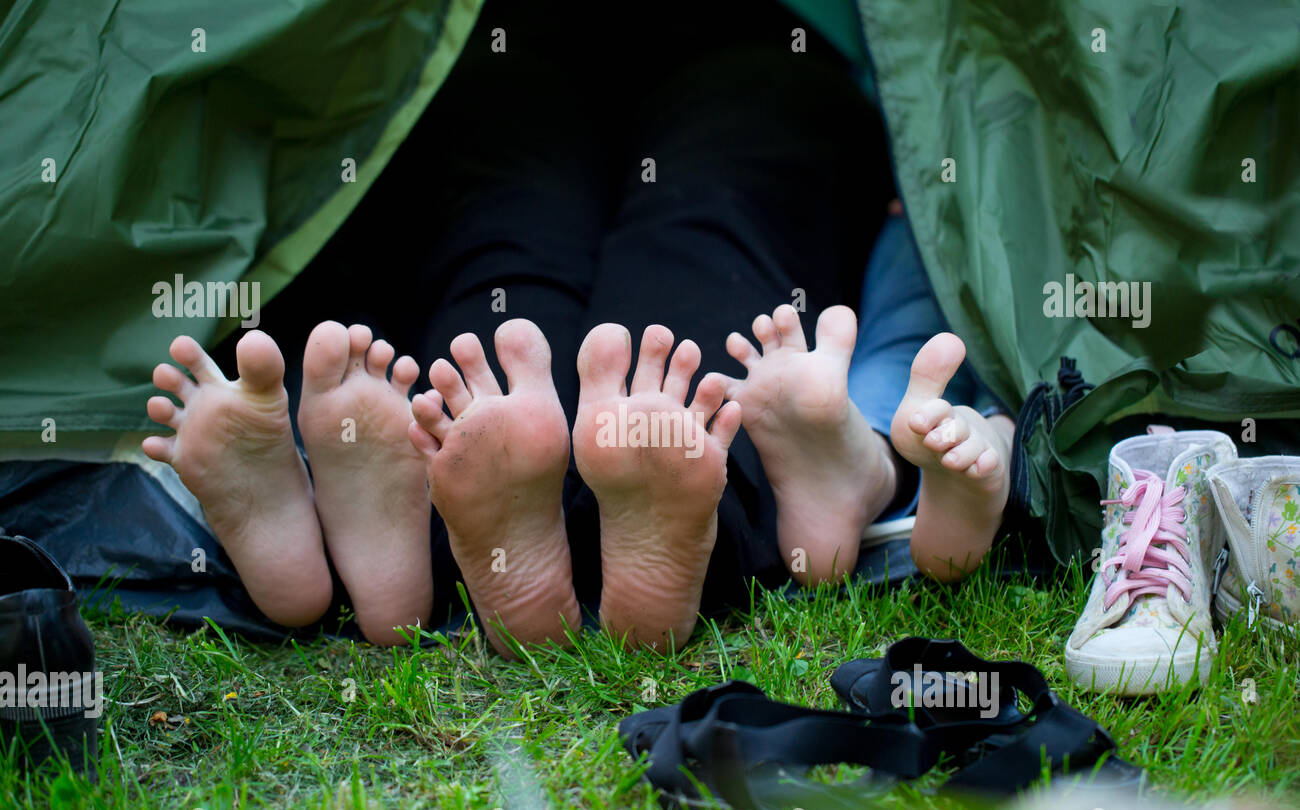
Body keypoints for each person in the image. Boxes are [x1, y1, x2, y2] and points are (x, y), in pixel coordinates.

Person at [141, 0, 1016, 654]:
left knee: (506, 255)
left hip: (541, 38)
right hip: (707, 38)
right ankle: (701, 523)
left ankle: (424, 528)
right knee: (705, 242)